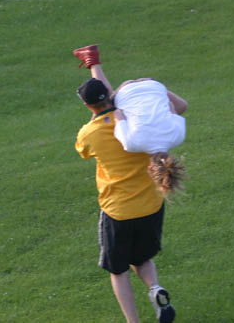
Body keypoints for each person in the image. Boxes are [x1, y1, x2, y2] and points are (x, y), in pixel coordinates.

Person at [73, 45, 178, 323]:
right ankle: (155, 289)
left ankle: (133, 322)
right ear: (111, 96)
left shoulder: (89, 133)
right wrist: (95, 64)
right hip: (152, 205)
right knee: (142, 258)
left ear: (87, 106)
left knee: (118, 270)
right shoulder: (136, 120)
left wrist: (94, 68)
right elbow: (114, 99)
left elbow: (85, 146)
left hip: (118, 211)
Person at [74, 45, 188, 196]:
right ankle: (92, 60)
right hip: (127, 89)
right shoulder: (132, 144)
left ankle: (92, 59)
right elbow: (118, 114)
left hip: (153, 85)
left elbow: (171, 106)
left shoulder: (178, 136)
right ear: (150, 168)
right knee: (108, 102)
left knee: (182, 106)